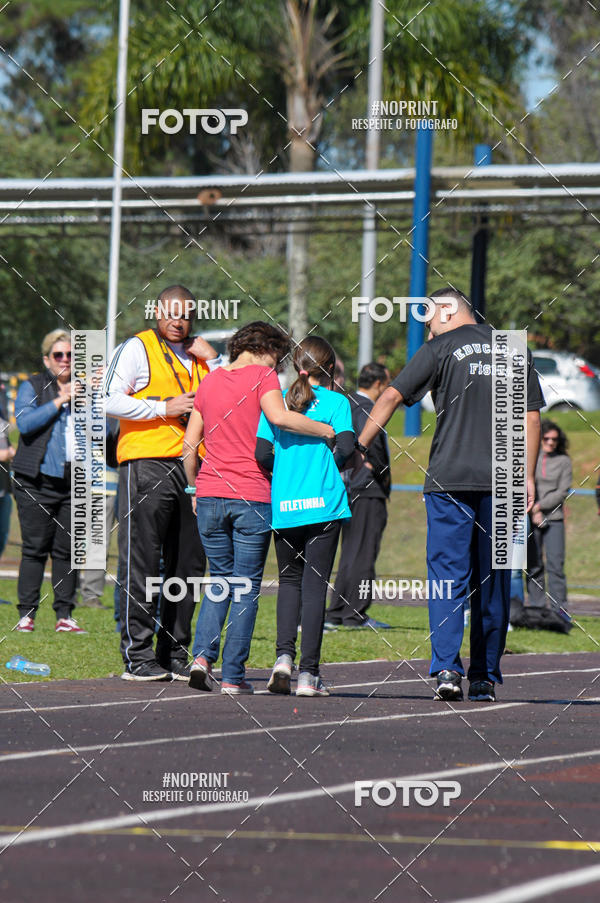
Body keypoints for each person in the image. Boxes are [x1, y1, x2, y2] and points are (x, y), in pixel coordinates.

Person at [357, 287, 544, 703]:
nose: (427, 327)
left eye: (429, 319)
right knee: (494, 581)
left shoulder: (441, 347)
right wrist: (526, 477)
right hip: (504, 482)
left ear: (446, 311)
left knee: (447, 578)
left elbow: (390, 395)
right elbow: (531, 419)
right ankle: (483, 677)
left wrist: (357, 445)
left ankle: (446, 668)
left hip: (449, 481)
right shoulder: (513, 347)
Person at [183, 322, 335, 695]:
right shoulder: (263, 376)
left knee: (218, 580)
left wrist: (193, 487)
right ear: (268, 350)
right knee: (246, 586)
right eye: (279, 357)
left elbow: (189, 445)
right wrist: (326, 431)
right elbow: (280, 418)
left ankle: (202, 657)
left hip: (210, 494)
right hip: (252, 495)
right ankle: (234, 676)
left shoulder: (210, 381)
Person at [105, 285, 218, 681]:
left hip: (195, 467)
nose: (177, 320)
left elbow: (230, 401)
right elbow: (105, 398)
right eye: (171, 312)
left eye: (185, 313)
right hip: (146, 461)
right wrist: (161, 408)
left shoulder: (202, 356)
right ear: (157, 312)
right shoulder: (137, 347)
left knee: (188, 565)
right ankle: (138, 655)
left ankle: (174, 650)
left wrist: (216, 361)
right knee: (142, 560)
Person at [258, 336, 354, 697]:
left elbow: (262, 454)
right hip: (324, 506)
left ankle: (283, 658)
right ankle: (308, 676)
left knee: (289, 584)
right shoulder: (336, 402)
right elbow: (345, 448)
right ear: (329, 369)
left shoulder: (277, 402)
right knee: (315, 588)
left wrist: (287, 474)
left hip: (285, 506)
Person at [12, 330, 86, 633]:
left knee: (67, 550)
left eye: (70, 355)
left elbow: (106, 433)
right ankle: (27, 615)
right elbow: (25, 423)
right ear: (47, 360)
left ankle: (64, 616)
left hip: (74, 481)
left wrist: (95, 398)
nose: (65, 360)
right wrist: (60, 400)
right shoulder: (33, 385)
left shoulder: (86, 391)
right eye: (58, 355)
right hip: (36, 481)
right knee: (34, 548)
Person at [325, 362, 392, 629]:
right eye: (386, 383)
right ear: (377, 384)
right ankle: (355, 613)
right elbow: (370, 441)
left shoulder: (347, 404)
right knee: (364, 552)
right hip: (368, 487)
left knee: (351, 551)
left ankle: (339, 610)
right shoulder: (366, 408)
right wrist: (377, 467)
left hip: (350, 487)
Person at [525, 420, 572, 631]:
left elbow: (562, 491)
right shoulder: (530, 458)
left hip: (554, 519)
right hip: (530, 518)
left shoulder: (564, 461)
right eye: (546, 439)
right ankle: (536, 610)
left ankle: (559, 611)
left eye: (554, 439)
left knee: (555, 565)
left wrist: (540, 507)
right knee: (534, 566)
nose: (550, 443)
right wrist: (532, 510)